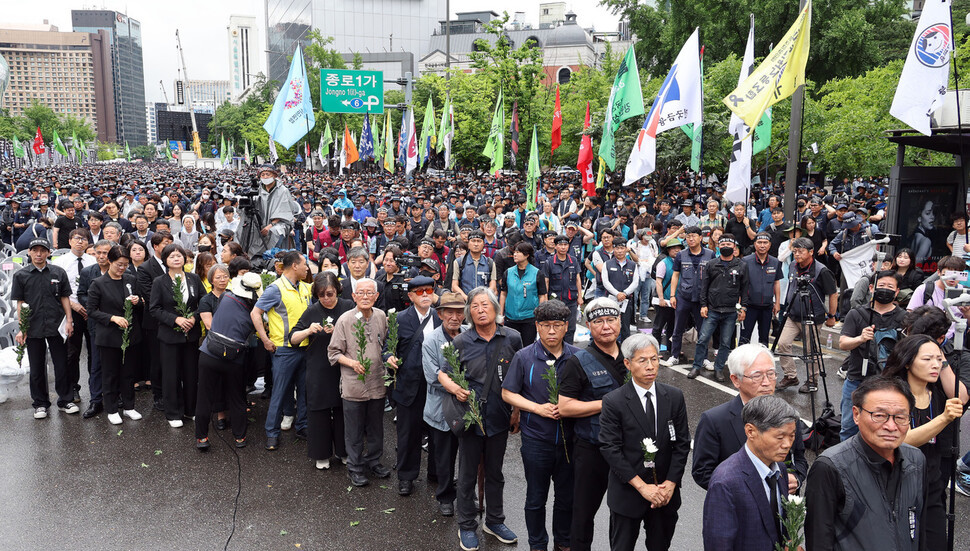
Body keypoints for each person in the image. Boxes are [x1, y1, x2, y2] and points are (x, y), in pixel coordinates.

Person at [439, 287, 522, 551]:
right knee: (466, 474)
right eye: (474, 306)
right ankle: (467, 525)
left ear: (496, 309)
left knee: (495, 473)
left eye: (485, 305)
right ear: (468, 313)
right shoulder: (462, 342)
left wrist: (517, 411)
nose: (480, 310)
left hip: (500, 416)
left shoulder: (513, 338)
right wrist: (455, 388)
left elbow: (519, 378)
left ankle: (495, 521)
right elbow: (444, 374)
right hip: (470, 417)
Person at [805, 376, 926, 550]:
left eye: (900, 417)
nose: (891, 426)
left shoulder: (916, 459)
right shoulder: (830, 467)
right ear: (856, 414)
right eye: (879, 415)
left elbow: (921, 530)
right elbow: (819, 541)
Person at [598, 333, 690, 551]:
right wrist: (641, 486)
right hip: (628, 493)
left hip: (665, 495)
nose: (650, 366)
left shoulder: (674, 396)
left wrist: (671, 483)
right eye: (643, 360)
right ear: (628, 363)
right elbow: (610, 448)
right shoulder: (614, 401)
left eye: (654, 359)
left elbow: (682, 443)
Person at [501, 300, 577, 551]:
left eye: (557, 325)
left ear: (566, 327)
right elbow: (508, 393)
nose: (552, 331)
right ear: (537, 327)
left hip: (570, 440)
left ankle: (563, 541)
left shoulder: (577, 357)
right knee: (536, 497)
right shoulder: (524, 357)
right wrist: (537, 408)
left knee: (566, 498)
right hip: (536, 440)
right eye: (546, 325)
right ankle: (537, 543)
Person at [883, 335, 968, 550]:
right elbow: (902, 440)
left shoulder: (937, 394)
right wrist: (944, 418)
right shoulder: (893, 395)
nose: (935, 365)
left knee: (936, 542)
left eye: (939, 359)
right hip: (897, 486)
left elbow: (961, 395)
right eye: (927, 359)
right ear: (908, 361)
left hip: (931, 484)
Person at [691, 344, 808, 491]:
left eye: (771, 374)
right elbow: (703, 472)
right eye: (757, 376)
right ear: (735, 380)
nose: (766, 382)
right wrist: (746, 491)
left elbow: (799, 457)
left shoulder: (788, 414)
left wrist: (796, 478)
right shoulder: (715, 420)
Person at [558, 298, 625, 551]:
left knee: (623, 515)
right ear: (588, 325)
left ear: (619, 322)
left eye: (611, 320)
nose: (606, 327)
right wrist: (608, 403)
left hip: (626, 449)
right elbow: (565, 407)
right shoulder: (578, 361)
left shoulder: (633, 356)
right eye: (598, 322)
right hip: (591, 449)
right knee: (583, 514)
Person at [702, 395, 800, 551]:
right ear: (750, 431)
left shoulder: (779, 469)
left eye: (792, 436)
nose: (787, 444)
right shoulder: (725, 482)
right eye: (780, 437)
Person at [328, 278, 390, 487]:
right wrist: (352, 363)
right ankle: (354, 467)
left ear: (376, 296)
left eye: (369, 293)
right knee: (353, 430)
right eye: (360, 293)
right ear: (353, 296)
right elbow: (333, 353)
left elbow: (387, 345)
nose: (365, 296)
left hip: (377, 381)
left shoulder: (381, 316)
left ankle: (374, 460)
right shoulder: (345, 320)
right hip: (354, 383)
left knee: (375, 427)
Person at [384, 276, 441, 496]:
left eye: (429, 290)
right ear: (410, 296)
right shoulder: (399, 319)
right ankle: (406, 476)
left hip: (436, 385)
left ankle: (437, 473)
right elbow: (388, 348)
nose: (425, 295)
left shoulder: (441, 317)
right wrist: (389, 357)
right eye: (420, 292)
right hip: (409, 384)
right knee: (408, 432)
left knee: (438, 432)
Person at [290, 271, 353, 469]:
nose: (326, 299)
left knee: (344, 411)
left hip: (344, 367)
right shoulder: (312, 311)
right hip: (318, 367)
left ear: (338, 291)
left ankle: (345, 452)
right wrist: (308, 330)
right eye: (321, 294)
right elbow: (292, 338)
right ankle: (321, 454)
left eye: (330, 294)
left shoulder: (348, 307)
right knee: (318, 412)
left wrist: (341, 331)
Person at [251, 250, 312, 450]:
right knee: (279, 392)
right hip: (284, 351)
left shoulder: (304, 288)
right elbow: (255, 313)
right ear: (294, 266)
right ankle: (272, 433)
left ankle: (302, 426)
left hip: (305, 348)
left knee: (304, 391)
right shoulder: (276, 288)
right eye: (304, 264)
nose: (307, 268)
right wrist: (265, 339)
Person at [837, 270, 908, 440]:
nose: (885, 289)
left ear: (897, 291)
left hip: (891, 383)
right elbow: (843, 343)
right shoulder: (856, 314)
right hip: (857, 380)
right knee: (849, 426)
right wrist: (860, 339)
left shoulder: (904, 317)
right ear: (871, 288)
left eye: (890, 287)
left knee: (886, 428)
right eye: (881, 285)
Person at [12, 238, 76, 419]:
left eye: (43, 250)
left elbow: (65, 298)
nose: (39, 254)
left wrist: (69, 320)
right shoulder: (21, 275)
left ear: (48, 252)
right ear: (29, 253)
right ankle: (40, 404)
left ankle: (65, 400)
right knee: (37, 367)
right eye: (35, 250)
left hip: (57, 325)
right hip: (33, 326)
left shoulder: (58, 272)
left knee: (62, 364)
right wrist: (21, 328)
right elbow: (20, 303)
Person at [149, 243, 205, 428]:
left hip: (191, 335)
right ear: (165, 260)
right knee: (171, 375)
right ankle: (173, 413)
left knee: (191, 373)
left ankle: (191, 410)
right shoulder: (159, 282)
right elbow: (154, 309)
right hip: (169, 336)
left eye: (179, 255)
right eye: (171, 256)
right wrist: (176, 320)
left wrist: (193, 318)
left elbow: (203, 304)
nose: (176, 258)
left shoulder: (194, 279)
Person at [86, 245, 143, 426]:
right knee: (110, 373)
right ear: (109, 261)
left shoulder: (131, 279)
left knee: (128, 373)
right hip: (109, 336)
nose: (122, 268)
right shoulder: (98, 283)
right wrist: (112, 318)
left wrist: (138, 301)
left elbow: (142, 302)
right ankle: (111, 408)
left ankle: (129, 406)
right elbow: (91, 311)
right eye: (119, 264)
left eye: (125, 265)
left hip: (130, 334)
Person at [422, 291, 467, 517]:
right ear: (440, 314)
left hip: (467, 406)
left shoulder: (469, 334)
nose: (454, 317)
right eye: (449, 312)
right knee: (444, 454)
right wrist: (458, 387)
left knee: (468, 453)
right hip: (441, 406)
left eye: (459, 312)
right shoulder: (431, 340)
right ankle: (445, 495)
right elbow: (432, 376)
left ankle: (467, 494)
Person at [776, 237, 838, 393]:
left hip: (812, 316)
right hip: (792, 315)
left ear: (811, 252)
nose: (797, 254)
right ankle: (790, 376)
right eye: (795, 251)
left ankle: (812, 380)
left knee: (811, 351)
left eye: (801, 251)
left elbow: (833, 294)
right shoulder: (791, 266)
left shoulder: (821, 270)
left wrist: (831, 316)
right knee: (783, 343)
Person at [689, 234, 748, 381]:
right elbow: (704, 287)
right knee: (702, 339)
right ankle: (696, 366)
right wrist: (703, 305)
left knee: (725, 342)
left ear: (735, 247)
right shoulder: (711, 264)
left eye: (729, 244)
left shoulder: (741, 265)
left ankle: (719, 369)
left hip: (730, 311)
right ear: (717, 247)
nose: (726, 247)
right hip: (713, 310)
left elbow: (745, 289)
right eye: (723, 244)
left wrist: (744, 308)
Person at [53, 229, 95, 405]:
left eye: (84, 239)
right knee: (72, 352)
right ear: (69, 241)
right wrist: (74, 305)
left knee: (94, 352)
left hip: (93, 311)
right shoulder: (60, 262)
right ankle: (72, 388)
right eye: (77, 239)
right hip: (71, 311)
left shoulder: (93, 261)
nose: (80, 242)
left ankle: (96, 389)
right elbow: (57, 291)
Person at [663, 226, 714, 366]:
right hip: (683, 297)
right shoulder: (681, 255)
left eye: (694, 236)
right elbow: (675, 275)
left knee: (703, 330)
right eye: (688, 236)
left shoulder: (710, 254)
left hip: (701, 299)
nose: (691, 239)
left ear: (700, 237)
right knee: (677, 328)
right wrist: (672, 295)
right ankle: (674, 355)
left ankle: (704, 358)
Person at [138, 231, 174, 412]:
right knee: (157, 359)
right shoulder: (145, 268)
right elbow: (150, 295)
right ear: (156, 246)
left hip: (176, 321)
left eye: (171, 242)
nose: (169, 246)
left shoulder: (177, 265)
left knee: (172, 359)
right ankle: (158, 395)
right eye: (166, 243)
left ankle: (173, 392)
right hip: (155, 321)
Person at [499, 242, 547, 345]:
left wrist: (540, 316)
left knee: (527, 347)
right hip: (510, 318)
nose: (515, 254)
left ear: (527, 255)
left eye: (518, 252)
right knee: (510, 347)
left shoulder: (537, 273)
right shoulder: (508, 272)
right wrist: (500, 314)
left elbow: (542, 295)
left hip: (529, 318)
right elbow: (503, 293)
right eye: (514, 252)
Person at [739, 233, 782, 346]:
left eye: (765, 243)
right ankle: (742, 363)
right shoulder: (745, 261)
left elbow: (776, 282)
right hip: (749, 306)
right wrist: (740, 306)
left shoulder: (775, 262)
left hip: (767, 307)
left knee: (764, 340)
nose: (762, 245)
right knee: (744, 339)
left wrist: (777, 303)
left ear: (770, 245)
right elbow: (740, 284)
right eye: (759, 242)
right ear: (754, 244)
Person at [544, 234, 584, 344]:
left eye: (565, 244)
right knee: (555, 327)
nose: (563, 247)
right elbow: (546, 281)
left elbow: (577, 279)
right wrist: (545, 300)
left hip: (571, 300)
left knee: (570, 329)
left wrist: (580, 296)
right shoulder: (549, 262)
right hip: (555, 301)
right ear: (555, 246)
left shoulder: (574, 261)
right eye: (560, 245)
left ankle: (568, 352)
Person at [601, 240, 640, 341]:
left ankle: (625, 349)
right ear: (613, 249)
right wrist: (617, 293)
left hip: (626, 300)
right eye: (617, 248)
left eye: (622, 248)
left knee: (625, 326)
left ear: (626, 250)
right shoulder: (607, 264)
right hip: (611, 299)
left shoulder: (632, 265)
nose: (619, 251)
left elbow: (635, 282)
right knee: (610, 324)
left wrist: (625, 293)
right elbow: (605, 282)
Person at [909, 199, 935, 267]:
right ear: (919, 218)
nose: (932, 217)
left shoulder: (915, 235)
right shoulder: (926, 241)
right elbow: (917, 265)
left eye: (933, 213)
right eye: (928, 213)